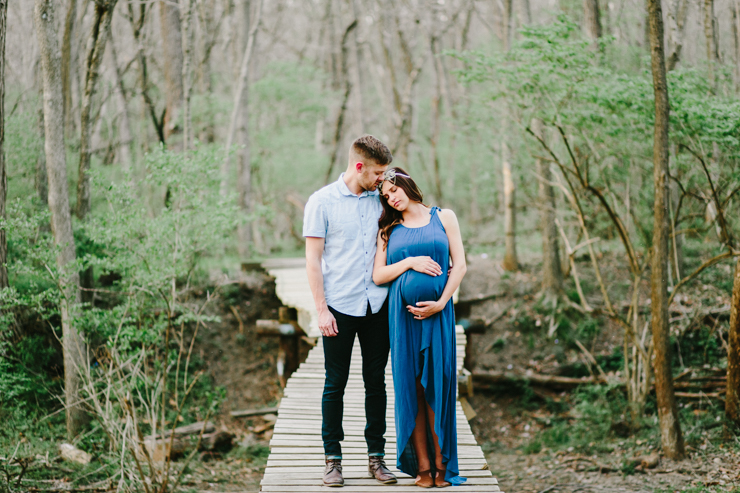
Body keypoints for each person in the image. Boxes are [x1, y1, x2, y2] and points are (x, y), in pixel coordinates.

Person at [303, 135, 398, 487]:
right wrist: (321, 310)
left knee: (376, 383)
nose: (381, 180)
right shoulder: (322, 202)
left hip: (377, 306)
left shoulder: (382, 201)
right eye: (377, 173)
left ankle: (377, 458)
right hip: (339, 307)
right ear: (359, 167)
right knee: (335, 384)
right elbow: (313, 261)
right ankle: (333, 459)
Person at [372, 167, 467, 488]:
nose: (392, 197)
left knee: (437, 388)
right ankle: (423, 468)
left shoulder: (445, 217)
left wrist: (441, 303)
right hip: (403, 319)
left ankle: (443, 466)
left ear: (406, 183)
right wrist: (410, 263)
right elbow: (379, 275)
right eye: (385, 196)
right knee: (411, 389)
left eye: (393, 189)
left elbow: (461, 265)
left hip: (439, 316)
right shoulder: (388, 229)